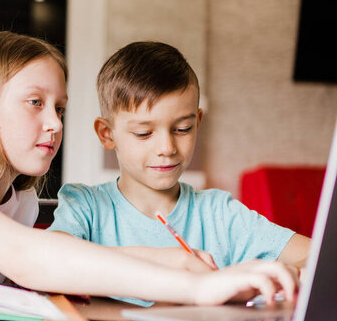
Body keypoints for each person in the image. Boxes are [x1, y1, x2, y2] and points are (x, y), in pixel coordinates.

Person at [0, 31, 298, 307]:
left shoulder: (17, 202)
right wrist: (197, 289)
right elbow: (26, 259)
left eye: (60, 107)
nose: (55, 123)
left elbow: (60, 256)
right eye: (35, 103)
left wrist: (174, 260)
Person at [48, 41, 309, 306]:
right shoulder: (86, 206)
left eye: (182, 129)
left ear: (197, 122)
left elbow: (315, 256)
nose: (167, 148)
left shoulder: (220, 214)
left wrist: (289, 275)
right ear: (107, 134)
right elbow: (49, 260)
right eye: (144, 133)